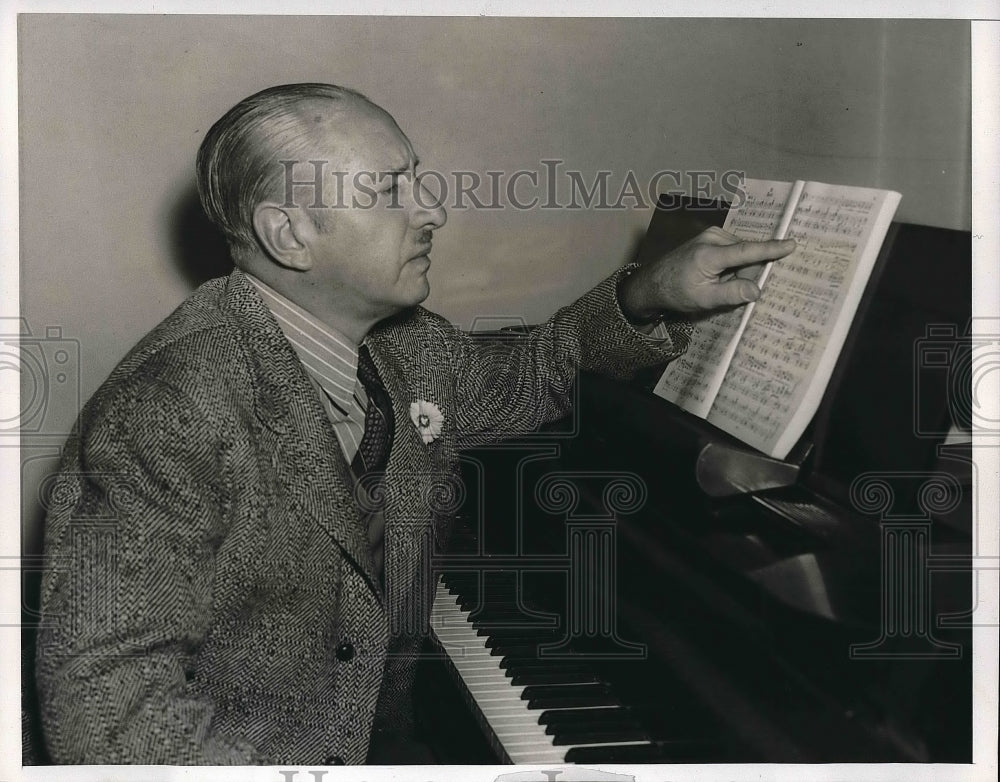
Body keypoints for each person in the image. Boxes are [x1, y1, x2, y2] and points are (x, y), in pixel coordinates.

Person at [34, 83, 795, 765]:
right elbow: (106, 717)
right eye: (391, 190)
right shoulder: (166, 412)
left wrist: (648, 295)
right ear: (288, 234)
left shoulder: (406, 345)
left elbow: (532, 373)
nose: (432, 209)